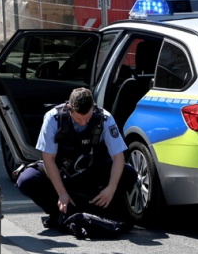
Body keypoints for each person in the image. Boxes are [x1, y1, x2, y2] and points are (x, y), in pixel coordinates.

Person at [16, 87, 138, 231]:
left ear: (93, 107)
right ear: (69, 108)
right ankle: (58, 213)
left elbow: (118, 156)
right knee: (27, 180)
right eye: (78, 118)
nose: (83, 123)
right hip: (61, 171)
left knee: (129, 173)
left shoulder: (104, 118)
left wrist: (111, 188)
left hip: (91, 171)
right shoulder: (54, 118)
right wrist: (61, 194)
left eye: (87, 118)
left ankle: (102, 207)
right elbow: (48, 159)